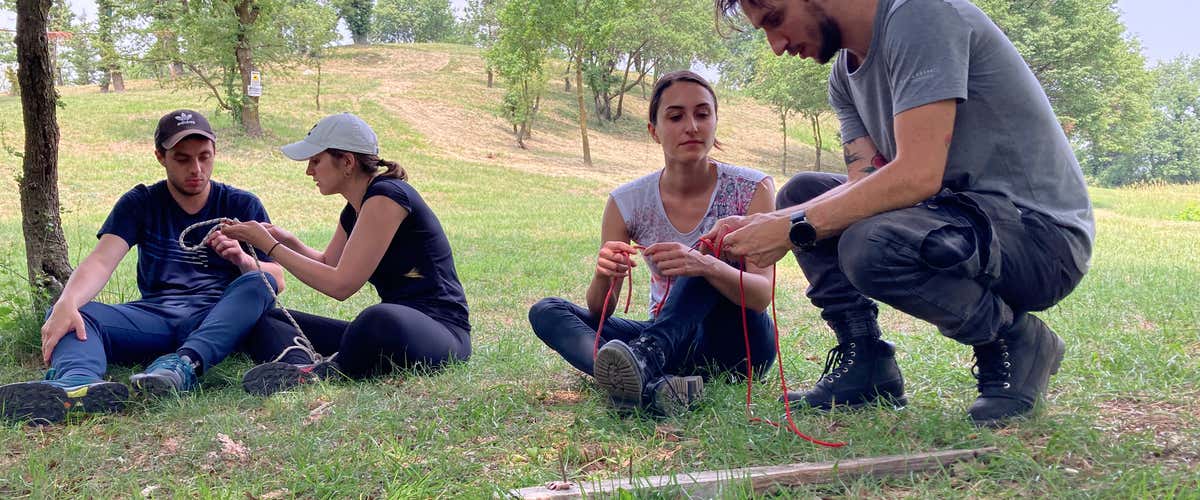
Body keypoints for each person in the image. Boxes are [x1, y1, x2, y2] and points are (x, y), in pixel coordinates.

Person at [710, 0, 1094, 427]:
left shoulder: (921, 14)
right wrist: (768, 223)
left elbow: (917, 175)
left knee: (867, 244)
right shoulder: (843, 76)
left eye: (776, 19)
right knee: (802, 192)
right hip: (957, 221)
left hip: (1041, 239)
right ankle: (867, 363)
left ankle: (1014, 340)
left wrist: (793, 229)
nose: (776, 46)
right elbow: (862, 180)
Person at [0, 110, 286, 425]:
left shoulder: (242, 205)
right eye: (182, 159)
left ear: (215, 153)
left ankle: (182, 367)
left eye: (205, 157)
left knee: (258, 281)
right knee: (73, 312)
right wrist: (67, 302)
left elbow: (277, 279)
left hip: (218, 319)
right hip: (156, 317)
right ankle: (77, 386)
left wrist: (242, 260)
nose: (196, 169)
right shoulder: (141, 202)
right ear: (160, 157)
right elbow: (101, 260)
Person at [528, 71, 778, 415]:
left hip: (739, 346)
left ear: (716, 122)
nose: (691, 126)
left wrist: (704, 263)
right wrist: (604, 273)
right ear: (653, 131)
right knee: (547, 311)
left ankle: (644, 362)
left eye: (703, 114)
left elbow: (762, 296)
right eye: (675, 116)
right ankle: (653, 386)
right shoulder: (626, 201)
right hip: (669, 340)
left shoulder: (754, 189)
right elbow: (602, 312)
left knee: (705, 255)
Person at [220, 113, 470, 396]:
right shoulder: (354, 210)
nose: (309, 171)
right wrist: (287, 240)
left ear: (348, 162)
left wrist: (269, 246)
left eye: (316, 161)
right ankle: (301, 369)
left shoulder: (387, 196)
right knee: (269, 319)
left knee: (377, 319)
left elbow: (341, 285)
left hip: (440, 334)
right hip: (391, 333)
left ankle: (327, 371)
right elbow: (329, 263)